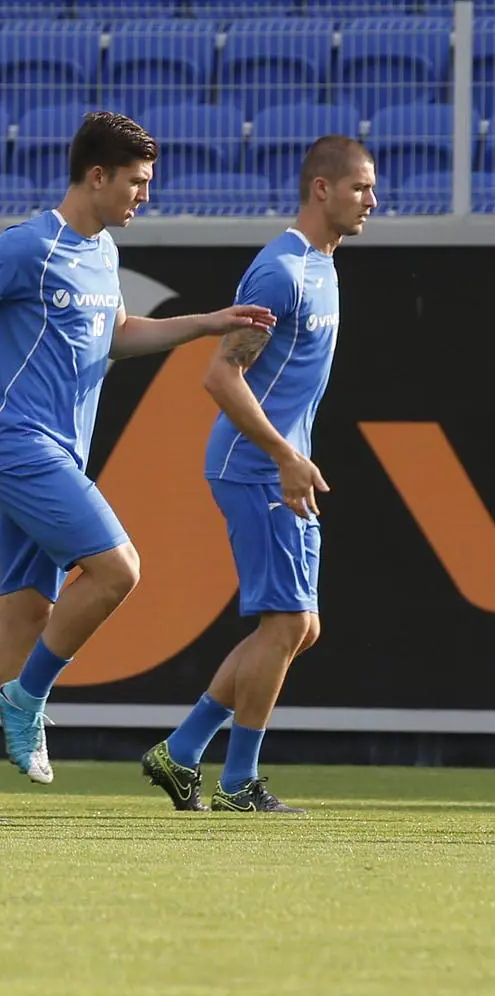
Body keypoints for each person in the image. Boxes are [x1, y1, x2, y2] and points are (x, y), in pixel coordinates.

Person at [0, 111, 277, 824]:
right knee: (117, 569)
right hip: (14, 444)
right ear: (97, 176)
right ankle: (28, 696)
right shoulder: (29, 244)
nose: (145, 195)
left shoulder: (101, 250)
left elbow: (117, 335)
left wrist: (208, 322)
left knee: (27, 610)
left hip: (55, 451)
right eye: (136, 182)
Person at [144, 136, 374, 814]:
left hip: (276, 466)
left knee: (300, 627)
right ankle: (238, 781)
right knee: (288, 622)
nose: (372, 199)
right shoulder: (281, 271)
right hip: (255, 467)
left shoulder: (321, 266)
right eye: (360, 186)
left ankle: (182, 750)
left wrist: (289, 457)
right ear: (321, 189)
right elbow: (220, 376)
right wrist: (283, 455)